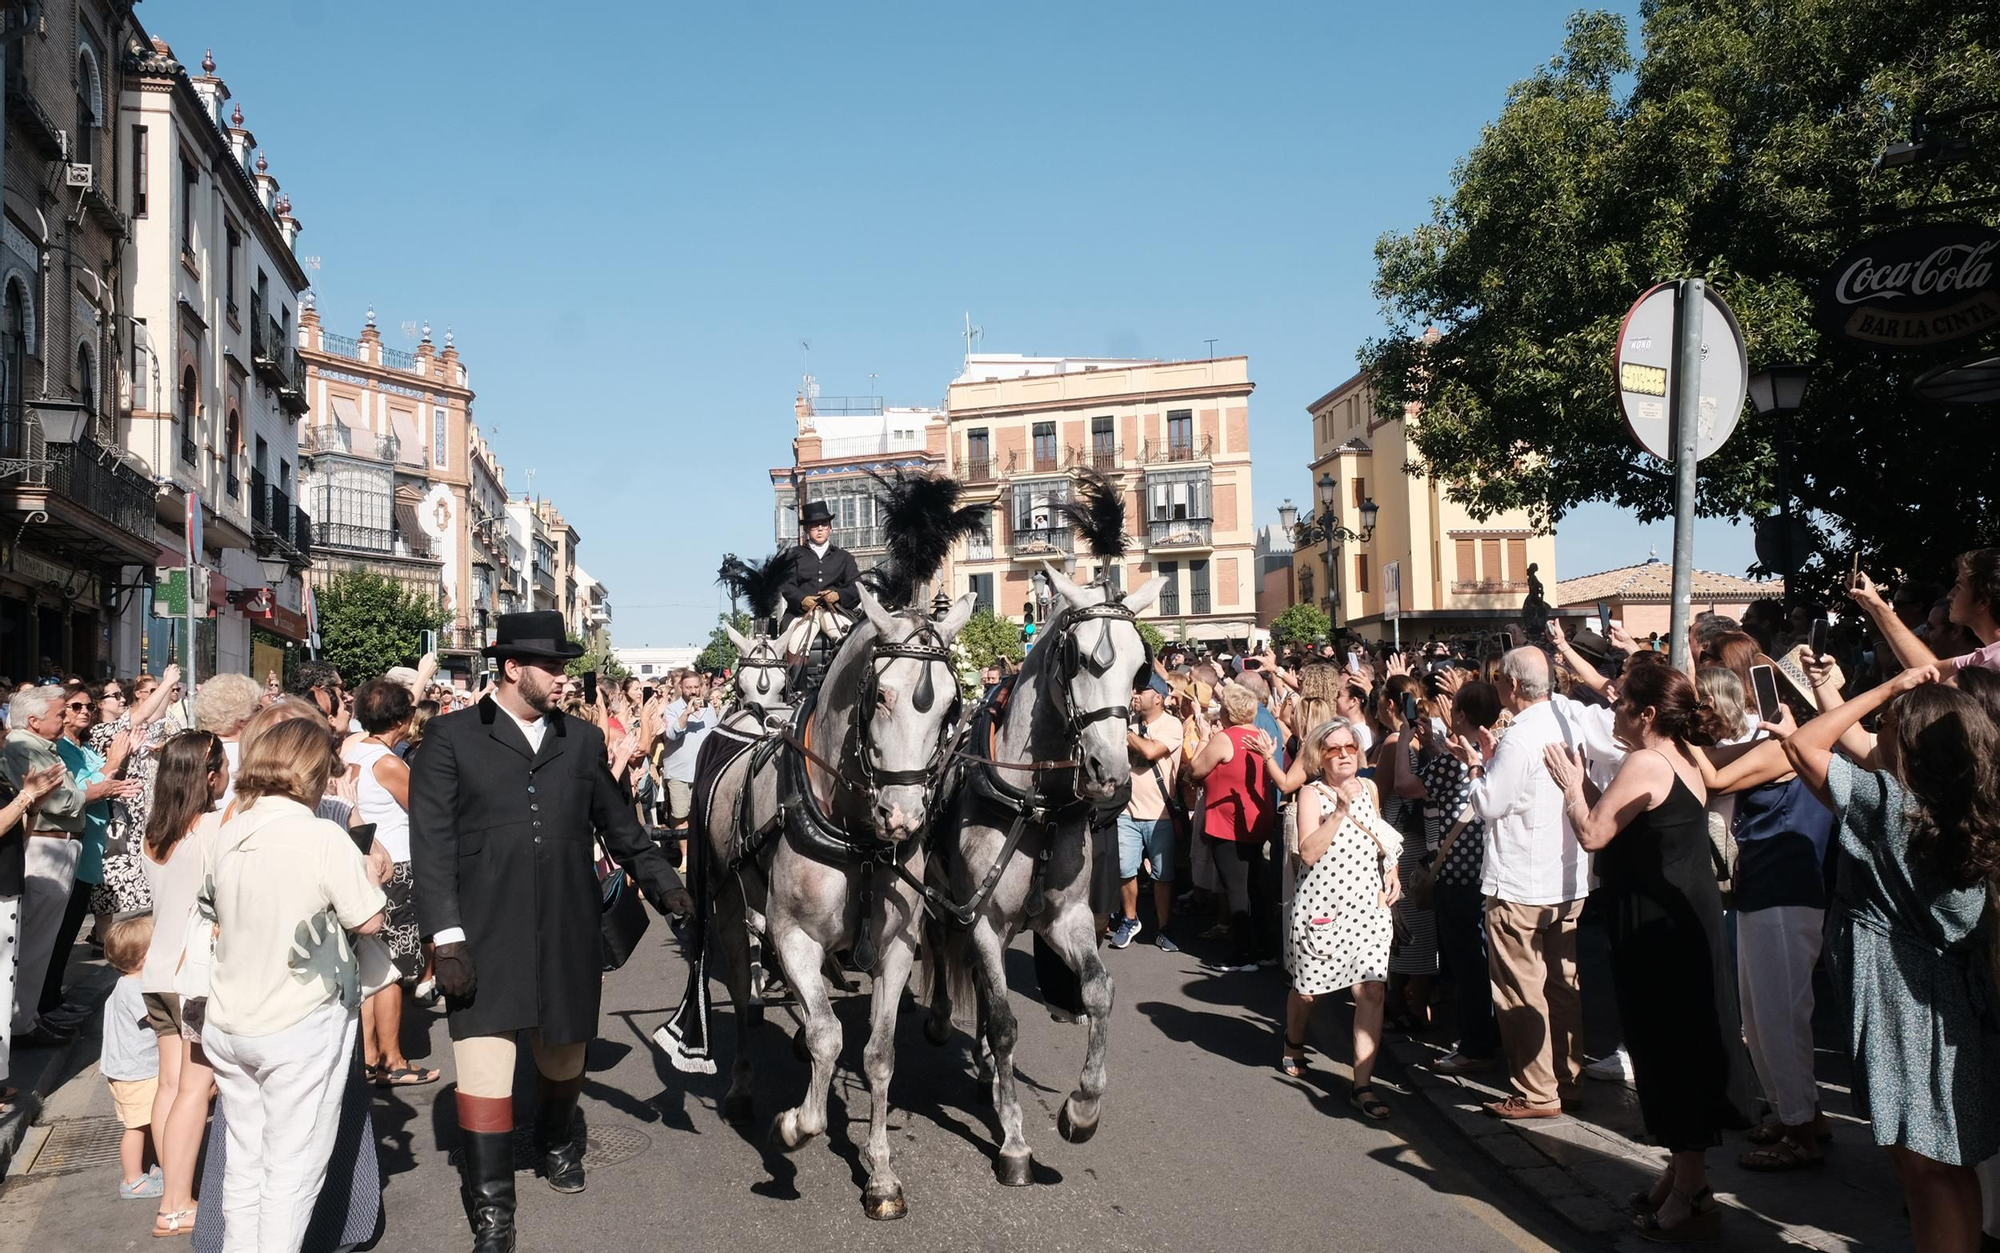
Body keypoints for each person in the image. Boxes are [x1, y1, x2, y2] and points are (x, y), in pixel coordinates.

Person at [410, 610, 694, 1252]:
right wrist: (444, 937)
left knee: (564, 1052)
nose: (565, 679)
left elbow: (620, 827)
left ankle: (558, 1137)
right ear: (512, 669)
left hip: (568, 925)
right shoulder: (451, 738)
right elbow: (430, 845)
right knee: (483, 1061)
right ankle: (492, 1211)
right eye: (554, 667)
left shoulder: (582, 742)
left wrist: (666, 884)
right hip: (481, 929)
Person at [1779, 667, 2000, 1253]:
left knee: (1922, 1166)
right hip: (1954, 999)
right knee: (1949, 1163)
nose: (1877, 731)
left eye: (1887, 725)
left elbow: (1803, 744)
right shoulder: (1967, 809)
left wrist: (1888, 688)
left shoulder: (1888, 806)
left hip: (1900, 999)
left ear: (1912, 741)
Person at [1543, 663, 1755, 1240]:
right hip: (1682, 917)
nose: (1613, 712)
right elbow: (1621, 817)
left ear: (1647, 714)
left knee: (1668, 1048)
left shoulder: (1645, 760)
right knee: (1680, 1042)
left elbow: (1592, 833)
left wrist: (1568, 785)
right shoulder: (1684, 756)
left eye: (1622, 704)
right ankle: (1683, 1173)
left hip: (1658, 928)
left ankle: (1691, 1191)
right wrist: (1585, 786)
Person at [200, 716, 387, 1253]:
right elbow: (369, 919)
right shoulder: (320, 835)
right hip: (298, 1018)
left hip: (231, 1014)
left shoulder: (229, 829)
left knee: (245, 1159)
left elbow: (210, 908)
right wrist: (366, 863)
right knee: (294, 1167)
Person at [1454, 647, 1590, 1120]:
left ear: (1510, 685)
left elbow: (1489, 804)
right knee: (1562, 986)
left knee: (1521, 990)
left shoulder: (1521, 736)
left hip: (1520, 883)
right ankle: (1567, 1078)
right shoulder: (1567, 720)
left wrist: (1477, 766)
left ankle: (1537, 1091)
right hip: (1567, 876)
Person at [1285, 718, 1402, 1119]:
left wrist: (1393, 872)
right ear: (1321, 756)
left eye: (1350, 747)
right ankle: (1293, 1040)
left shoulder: (1370, 787)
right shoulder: (1310, 795)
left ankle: (1362, 1086)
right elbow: (1309, 851)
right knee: (1307, 992)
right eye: (1334, 749)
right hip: (1322, 910)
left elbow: (1380, 838)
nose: (1344, 755)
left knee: (1371, 991)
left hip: (1368, 907)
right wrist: (1339, 809)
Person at [140, 730, 227, 1239]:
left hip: (157, 971)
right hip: (194, 972)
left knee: (171, 1086)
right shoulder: (213, 826)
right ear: (209, 773)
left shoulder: (156, 831)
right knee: (197, 1087)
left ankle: (173, 1192)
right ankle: (176, 1203)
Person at [342, 679, 437, 1088]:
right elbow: (426, 809)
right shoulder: (388, 763)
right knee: (393, 970)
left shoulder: (349, 748)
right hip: (395, 868)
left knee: (368, 964)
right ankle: (393, 1059)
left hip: (359, 862)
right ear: (403, 718)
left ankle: (366, 1057)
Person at [1417, 678, 1504, 1075]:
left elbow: (1409, 784)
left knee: (1468, 966)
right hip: (1492, 873)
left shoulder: (1453, 760)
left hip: (1458, 876)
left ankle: (1475, 1044)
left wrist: (1411, 743)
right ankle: (1493, 1035)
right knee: (1488, 964)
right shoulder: (1499, 751)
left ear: (1462, 715)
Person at [2, 686, 93, 1050]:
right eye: (59, 713)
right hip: (44, 845)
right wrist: (89, 793)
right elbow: (60, 801)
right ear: (35, 720)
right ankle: (22, 1023)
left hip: (59, 845)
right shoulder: (23, 747)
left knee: (42, 940)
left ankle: (30, 1016)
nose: (66, 718)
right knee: (34, 941)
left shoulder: (40, 746)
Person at [1187, 682, 1277, 967]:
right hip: (1256, 820)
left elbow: (1196, 769)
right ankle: (1264, 949)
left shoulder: (1225, 738)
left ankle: (1242, 955)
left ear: (1228, 711)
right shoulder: (1260, 734)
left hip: (1229, 824)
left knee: (1236, 889)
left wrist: (1204, 738)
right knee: (1254, 888)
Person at [0, 755, 67, 1107]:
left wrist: (34, 806)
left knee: (1, 991)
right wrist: (25, 798)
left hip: (8, 887)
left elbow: (17, 835)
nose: (4, 732)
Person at [1112, 672, 1183, 951]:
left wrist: (1124, 733)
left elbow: (1152, 751)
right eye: (1134, 690)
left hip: (1160, 814)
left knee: (1162, 876)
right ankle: (1130, 919)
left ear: (1159, 697)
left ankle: (1164, 928)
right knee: (1124, 869)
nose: (1135, 695)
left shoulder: (1172, 724)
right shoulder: (1128, 723)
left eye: (1141, 691)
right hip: (1126, 812)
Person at [1849, 549, 2000, 677]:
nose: (1950, 595)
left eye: (1959, 587)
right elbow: (1932, 671)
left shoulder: (1996, 661)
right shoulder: (1987, 657)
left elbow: (1933, 674)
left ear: (1982, 602)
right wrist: (1874, 603)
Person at [101, 913, 164, 1201]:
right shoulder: (134, 988)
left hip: (129, 1068)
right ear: (142, 958)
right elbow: (154, 1018)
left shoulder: (126, 984)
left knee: (146, 1120)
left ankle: (150, 1168)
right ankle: (132, 1180)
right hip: (135, 1071)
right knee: (136, 1126)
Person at [778, 499, 860, 618]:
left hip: (836, 612)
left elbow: (856, 587)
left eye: (824, 524)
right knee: (793, 637)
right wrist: (802, 600)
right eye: (814, 525)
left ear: (830, 528)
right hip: (800, 614)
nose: (820, 528)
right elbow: (786, 585)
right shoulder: (793, 555)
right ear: (806, 529)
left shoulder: (844, 557)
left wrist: (838, 595)